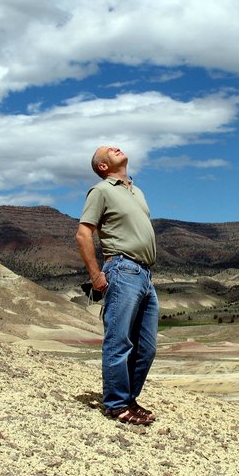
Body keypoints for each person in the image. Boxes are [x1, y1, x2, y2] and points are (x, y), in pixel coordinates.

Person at [76, 146, 159, 426]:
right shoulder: (100, 191)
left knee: (145, 347)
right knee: (119, 340)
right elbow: (84, 233)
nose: (116, 148)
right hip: (122, 269)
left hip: (145, 274)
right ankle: (116, 404)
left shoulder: (138, 192)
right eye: (108, 151)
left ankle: (129, 399)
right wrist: (96, 274)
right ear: (102, 166)